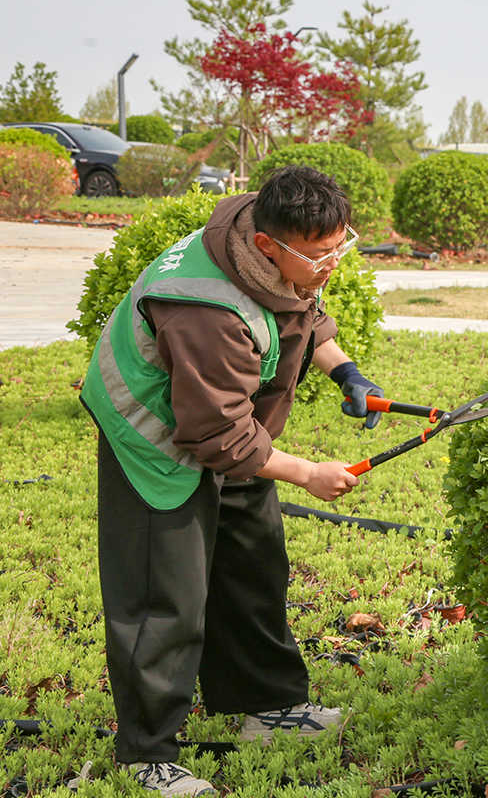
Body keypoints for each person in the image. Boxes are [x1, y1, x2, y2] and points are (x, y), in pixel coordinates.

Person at [80, 165, 387, 797]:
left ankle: (267, 708)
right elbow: (213, 436)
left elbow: (305, 305)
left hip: (232, 427)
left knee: (253, 564)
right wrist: (307, 472)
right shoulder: (204, 308)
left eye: (342, 246)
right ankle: (147, 754)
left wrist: (344, 370)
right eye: (322, 255)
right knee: (165, 597)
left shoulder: (274, 235)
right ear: (270, 247)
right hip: (158, 438)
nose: (333, 263)